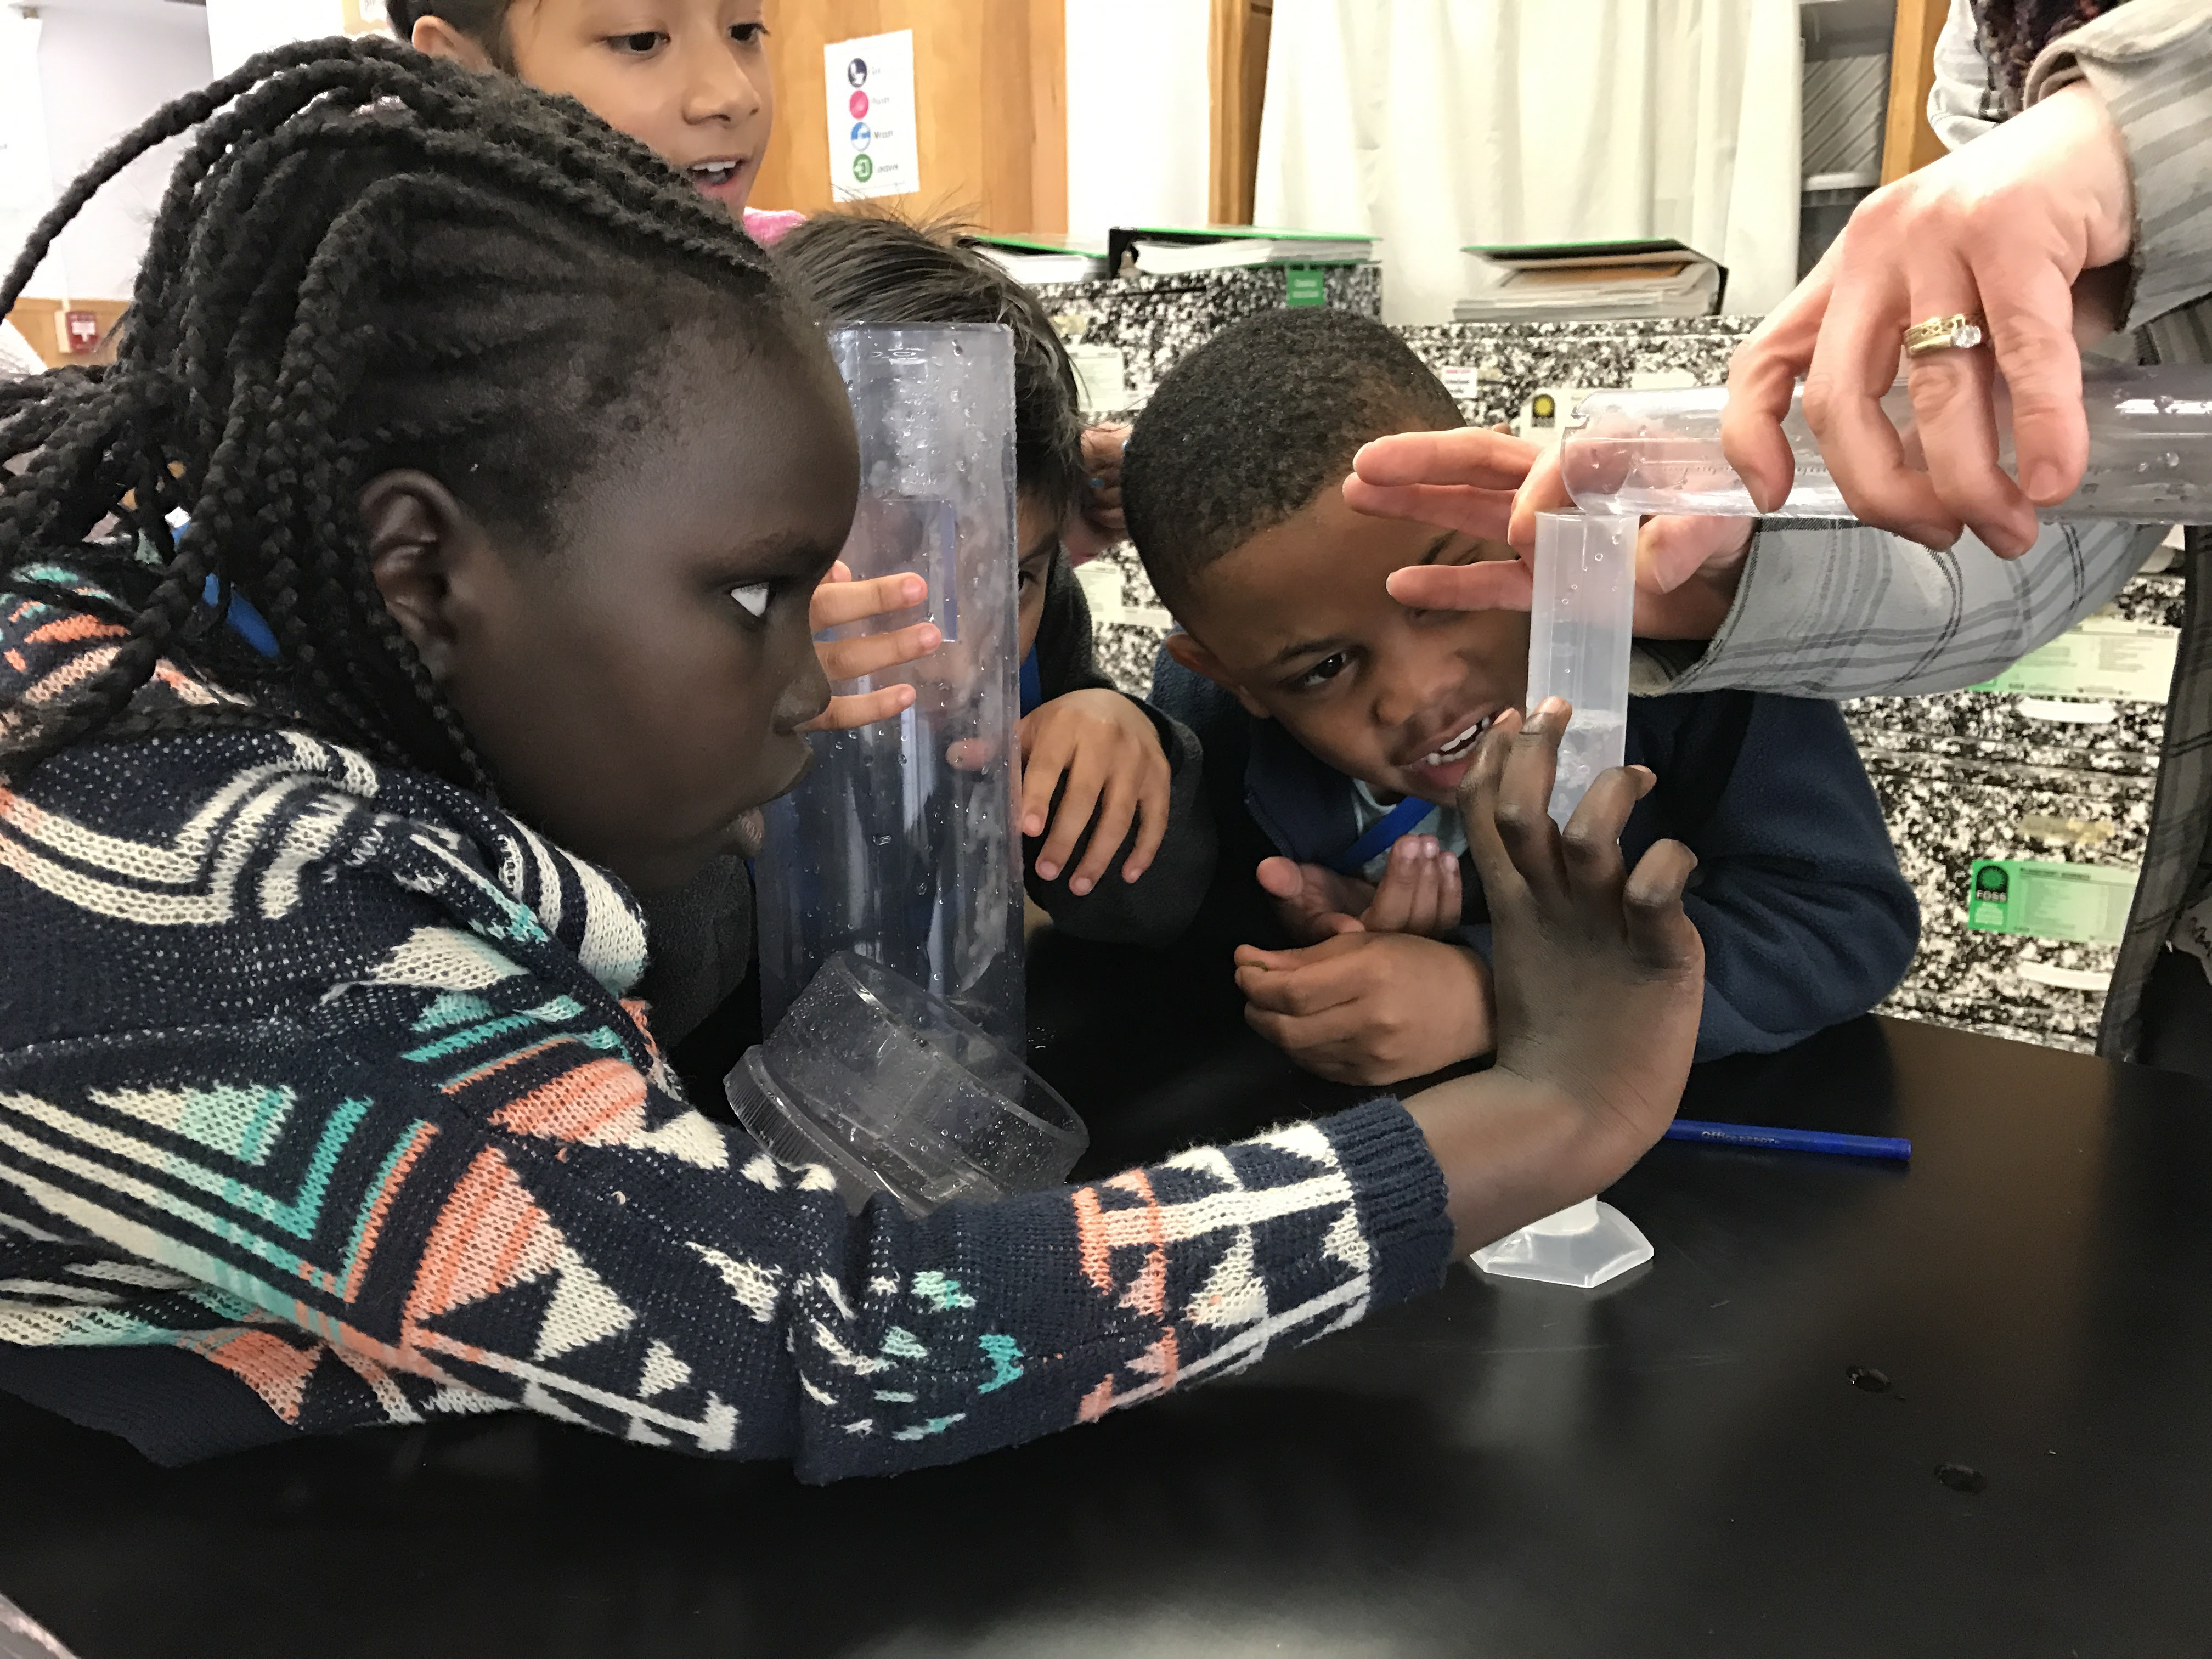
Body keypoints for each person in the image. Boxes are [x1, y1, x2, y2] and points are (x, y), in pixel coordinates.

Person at [0, 40, 1706, 1479]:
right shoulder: (221, 887)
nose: (820, 683)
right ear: (422, 572)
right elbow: (839, 1325)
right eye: (759, 596)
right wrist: (1545, 1113)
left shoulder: (175, 658)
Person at [1351, 0, 2212, 1072]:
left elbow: (1837, 929)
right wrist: (1746, 576)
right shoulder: (1994, 46)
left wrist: (2142, 131)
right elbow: (2027, 520)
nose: (1405, 690)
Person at [1120, 309, 1918, 1087]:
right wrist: (1314, 945)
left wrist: (1491, 990)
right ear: (1232, 678)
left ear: (1510, 501)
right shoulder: (1211, 719)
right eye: (1324, 669)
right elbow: (1188, 935)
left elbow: (1842, 925)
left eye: (1446, 590)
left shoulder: (1686, 644)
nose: (1419, 692)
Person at [771, 211, 1216, 941]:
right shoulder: (675, 711)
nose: (960, 658)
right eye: (884, 586)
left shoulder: (1043, 639)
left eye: (1008, 584)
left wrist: (1122, 744)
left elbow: (1155, 903)